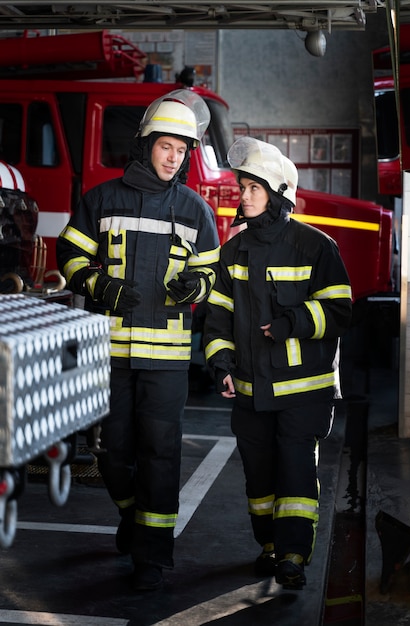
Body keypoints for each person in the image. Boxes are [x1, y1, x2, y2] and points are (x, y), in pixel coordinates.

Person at [56, 89, 220, 592]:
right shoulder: (101, 199)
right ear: (147, 144)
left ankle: (152, 556)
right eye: (166, 146)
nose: (173, 157)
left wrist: (196, 285)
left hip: (169, 360)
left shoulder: (195, 211)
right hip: (112, 353)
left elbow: (211, 272)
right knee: (113, 454)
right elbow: (70, 254)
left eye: (181, 150)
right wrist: (97, 283)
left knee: (161, 453)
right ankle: (132, 515)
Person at [203, 136, 352, 590]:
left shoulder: (315, 246)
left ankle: (293, 555)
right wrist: (222, 364)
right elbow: (218, 316)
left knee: (295, 471)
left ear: (276, 194)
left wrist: (294, 322)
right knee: (259, 474)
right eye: (242, 187)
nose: (243, 195)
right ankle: (268, 545)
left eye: (253, 188)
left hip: (303, 391)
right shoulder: (233, 251)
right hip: (250, 389)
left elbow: (341, 309)